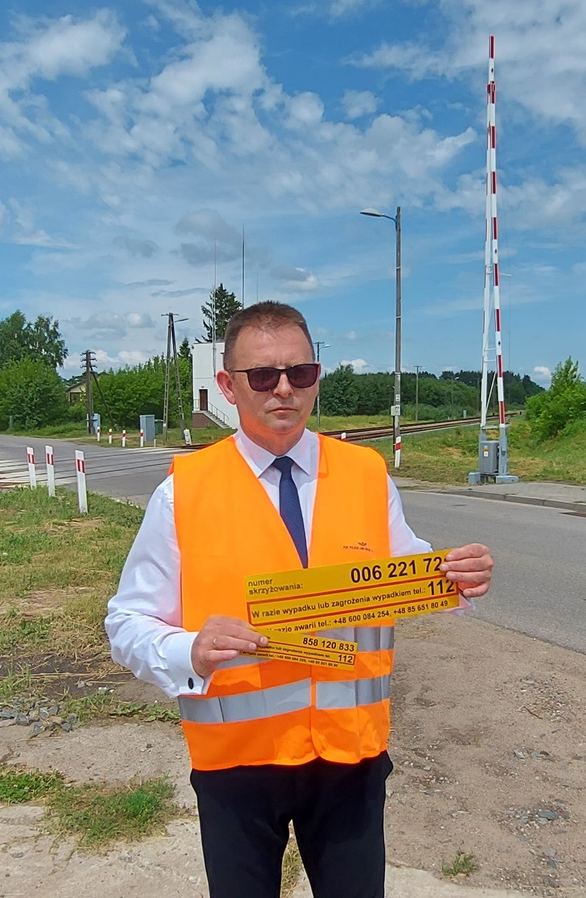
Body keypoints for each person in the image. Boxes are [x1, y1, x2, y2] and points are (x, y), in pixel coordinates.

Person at [105, 300, 494, 898]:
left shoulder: (366, 473)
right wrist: (190, 650)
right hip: (237, 767)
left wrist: (456, 578)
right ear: (228, 387)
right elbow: (126, 622)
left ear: (317, 377)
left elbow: (407, 569)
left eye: (300, 373)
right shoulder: (183, 492)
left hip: (351, 760)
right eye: (263, 376)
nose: (283, 388)